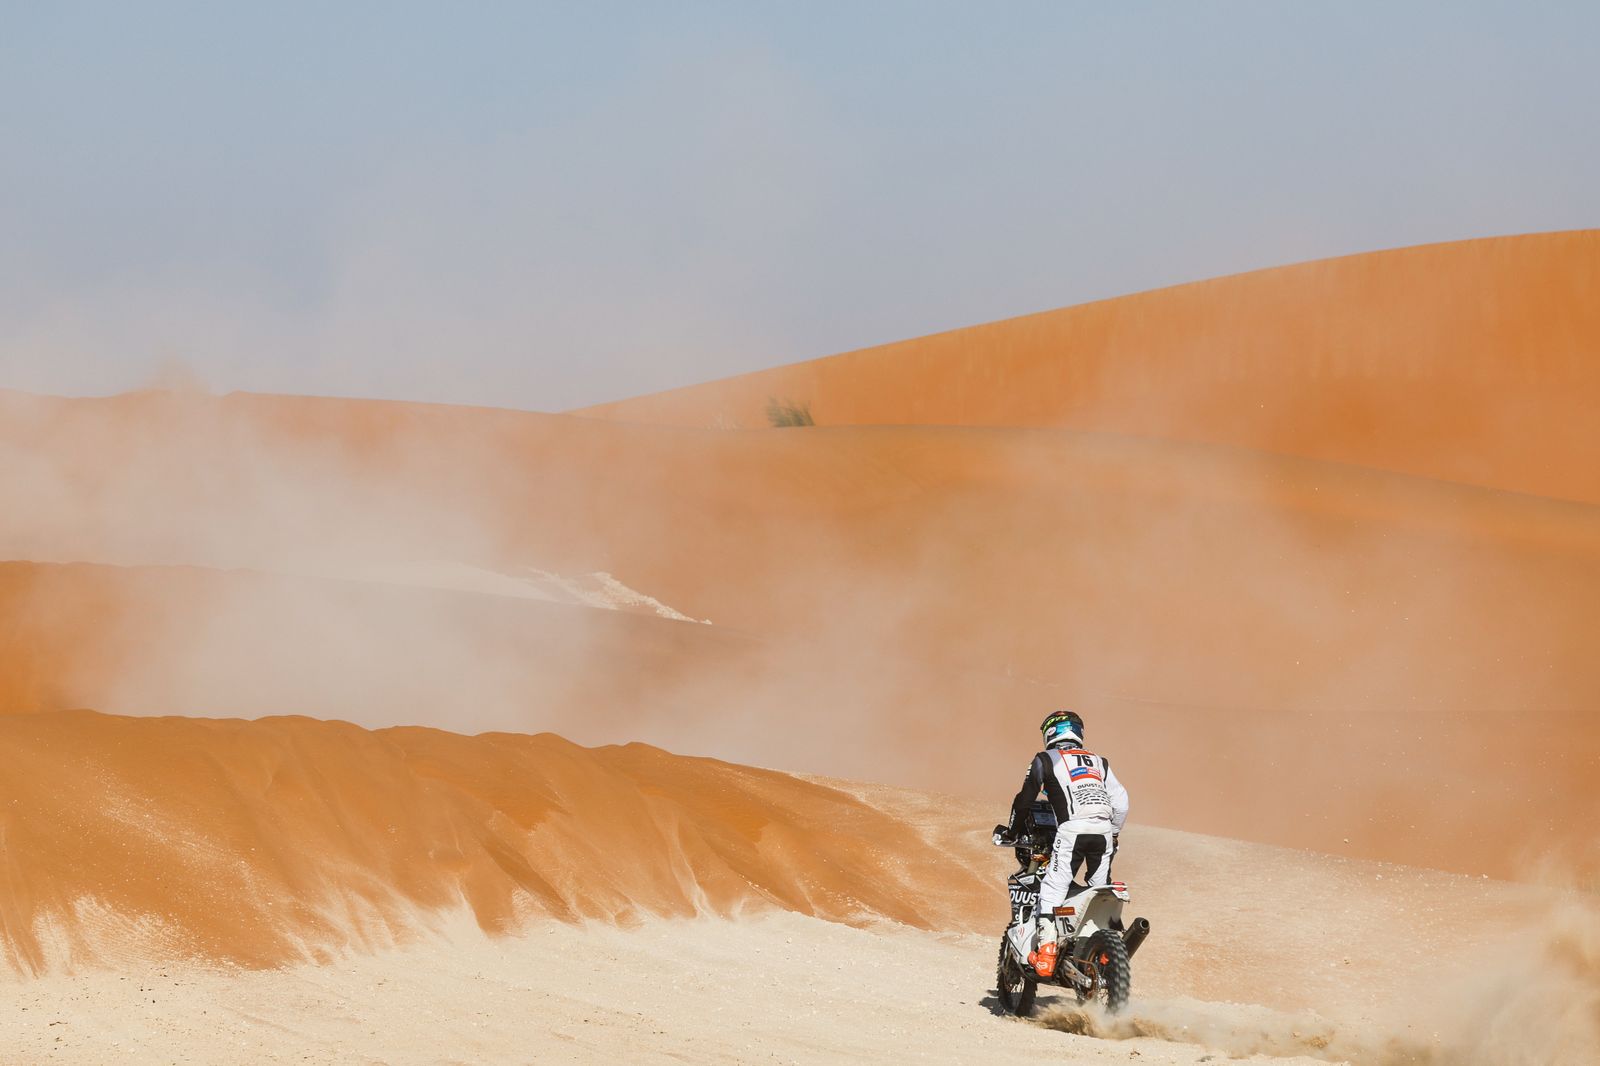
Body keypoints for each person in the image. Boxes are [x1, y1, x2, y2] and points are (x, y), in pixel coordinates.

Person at [1004, 710, 1129, 979]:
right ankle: (1100, 954)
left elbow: (1024, 800)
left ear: (1051, 732)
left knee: (1052, 888)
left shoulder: (1045, 759)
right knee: (1098, 891)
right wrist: (1114, 833)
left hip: (1072, 830)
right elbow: (1121, 801)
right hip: (1103, 831)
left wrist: (1012, 831)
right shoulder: (1099, 762)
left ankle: (1047, 954)